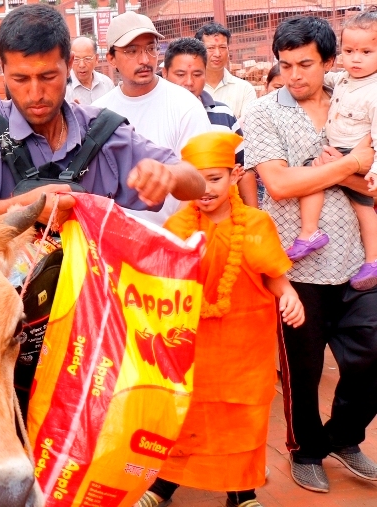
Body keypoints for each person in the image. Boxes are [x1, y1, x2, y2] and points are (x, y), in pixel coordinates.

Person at [244, 16, 377, 493]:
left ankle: (343, 437)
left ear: (329, 62)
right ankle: (305, 450)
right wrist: (350, 165)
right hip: (294, 264)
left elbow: (371, 181)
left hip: (360, 261)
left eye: (305, 64)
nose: (294, 75)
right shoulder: (263, 113)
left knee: (371, 352)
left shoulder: (359, 99)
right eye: (286, 65)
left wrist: (340, 172)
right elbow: (278, 185)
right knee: (304, 369)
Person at [137, 132, 305, 507]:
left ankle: (241, 492)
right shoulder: (178, 228)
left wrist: (290, 294)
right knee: (184, 418)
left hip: (244, 347)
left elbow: (274, 274)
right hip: (191, 348)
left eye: (214, 178)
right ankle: (164, 483)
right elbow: (157, 280)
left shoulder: (256, 223)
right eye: (196, 180)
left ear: (235, 175)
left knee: (242, 421)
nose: (205, 189)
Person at [0, 4, 205, 225]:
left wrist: (167, 174)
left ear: (68, 64)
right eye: (20, 79)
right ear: (3, 68)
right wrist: (20, 208)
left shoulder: (102, 131)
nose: (35, 94)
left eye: (48, 76)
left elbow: (195, 180)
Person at [287, 9, 377, 290]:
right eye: (349, 51)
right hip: (338, 149)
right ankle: (310, 231)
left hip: (358, 153)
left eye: (366, 51)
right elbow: (320, 79)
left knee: (363, 208)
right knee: (317, 178)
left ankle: (372, 259)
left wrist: (370, 168)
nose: (356, 58)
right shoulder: (343, 79)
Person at [93, 11, 211, 225]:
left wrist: (169, 238)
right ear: (111, 58)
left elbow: (202, 179)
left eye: (151, 48)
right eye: (132, 51)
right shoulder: (97, 113)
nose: (145, 59)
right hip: (111, 242)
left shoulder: (185, 106)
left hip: (172, 239)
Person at [161, 38, 257, 207]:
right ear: (165, 73)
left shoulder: (224, 114)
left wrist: (253, 217)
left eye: (197, 74)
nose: (189, 82)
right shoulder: (155, 115)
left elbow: (243, 170)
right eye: (180, 74)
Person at [196, 22, 257, 119]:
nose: (217, 54)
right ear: (198, 51)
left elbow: (248, 127)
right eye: (211, 48)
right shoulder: (191, 87)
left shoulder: (244, 89)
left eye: (222, 47)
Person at [65, 36, 114, 105]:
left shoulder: (107, 83)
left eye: (87, 59)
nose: (81, 65)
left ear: (96, 59)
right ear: (70, 59)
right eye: (76, 59)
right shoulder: (64, 88)